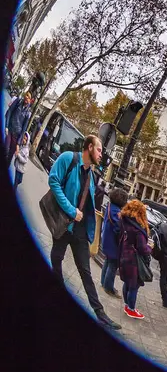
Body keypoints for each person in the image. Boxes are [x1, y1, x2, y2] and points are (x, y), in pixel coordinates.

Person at [49, 135, 121, 330]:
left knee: (86, 272)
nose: (101, 154)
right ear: (89, 147)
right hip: (65, 224)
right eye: (99, 150)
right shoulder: (68, 158)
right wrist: (71, 210)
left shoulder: (91, 174)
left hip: (79, 231)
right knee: (56, 258)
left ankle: (100, 313)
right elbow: (53, 181)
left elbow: (88, 203)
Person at [118, 199, 154, 319]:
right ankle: (131, 309)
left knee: (127, 282)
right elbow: (142, 249)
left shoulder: (124, 220)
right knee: (134, 285)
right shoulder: (138, 228)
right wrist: (150, 247)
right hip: (134, 259)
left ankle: (127, 305)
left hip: (124, 253)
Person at [100, 187, 128, 298]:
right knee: (113, 265)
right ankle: (109, 287)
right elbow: (118, 229)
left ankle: (103, 283)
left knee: (107, 262)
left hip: (106, 239)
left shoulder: (110, 206)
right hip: (113, 243)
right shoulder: (116, 212)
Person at [4, 90, 33, 165]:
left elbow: (24, 129)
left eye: (29, 97)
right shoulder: (19, 101)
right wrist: (6, 126)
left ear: (30, 100)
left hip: (17, 136)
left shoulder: (28, 112)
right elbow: (10, 111)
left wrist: (18, 143)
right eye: (26, 95)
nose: (27, 98)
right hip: (10, 129)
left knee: (10, 156)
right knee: (6, 149)